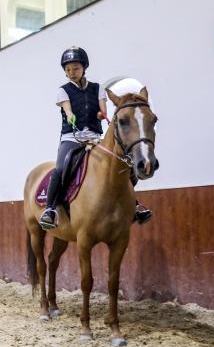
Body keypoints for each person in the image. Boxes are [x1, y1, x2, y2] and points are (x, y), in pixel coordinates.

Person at [39, 47, 152, 230]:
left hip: (94, 137)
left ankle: (134, 204)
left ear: (84, 68)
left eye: (75, 68)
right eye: (67, 70)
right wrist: (69, 115)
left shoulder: (97, 88)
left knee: (125, 164)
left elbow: (103, 109)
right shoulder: (63, 90)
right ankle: (50, 210)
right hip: (72, 138)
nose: (71, 73)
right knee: (60, 168)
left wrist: (101, 115)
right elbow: (67, 108)